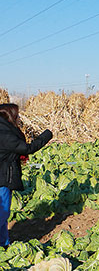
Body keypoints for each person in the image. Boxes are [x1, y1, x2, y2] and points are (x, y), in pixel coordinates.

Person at [0, 103, 53, 248]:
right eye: (17, 115)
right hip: (2, 178)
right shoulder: (5, 134)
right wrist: (47, 135)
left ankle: (4, 244)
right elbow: (28, 148)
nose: (19, 118)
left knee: (2, 216)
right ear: (10, 116)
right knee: (2, 214)